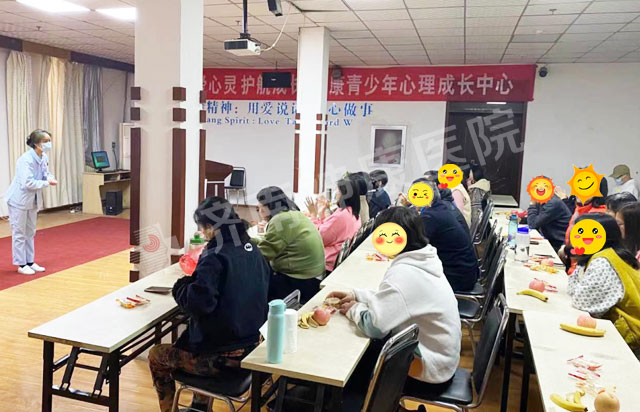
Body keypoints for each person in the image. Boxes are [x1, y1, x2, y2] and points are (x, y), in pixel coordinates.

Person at [149, 197, 270, 412]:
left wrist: (181, 286)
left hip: (223, 359)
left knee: (157, 355)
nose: (202, 233)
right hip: (253, 347)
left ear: (211, 227)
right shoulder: (251, 247)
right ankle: (199, 406)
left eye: (203, 227)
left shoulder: (216, 255)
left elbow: (198, 304)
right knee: (203, 336)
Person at [327, 206, 460, 385]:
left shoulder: (404, 274)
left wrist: (353, 309)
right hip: (442, 360)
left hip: (426, 369)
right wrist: (357, 295)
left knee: (349, 360)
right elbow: (397, 299)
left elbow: (374, 327)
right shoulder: (424, 259)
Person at [567, 213, 640, 358]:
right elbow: (572, 289)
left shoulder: (603, 262)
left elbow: (581, 303)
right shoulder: (604, 254)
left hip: (629, 339)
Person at [255, 186, 326, 303]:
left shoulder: (280, 220)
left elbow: (264, 253)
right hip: (312, 276)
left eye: (260, 207)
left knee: (256, 281)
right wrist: (250, 241)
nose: (259, 210)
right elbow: (269, 243)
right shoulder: (293, 213)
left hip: (302, 281)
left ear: (270, 205)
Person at [3, 129, 57, 275]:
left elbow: (45, 173)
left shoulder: (43, 157)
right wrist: (47, 183)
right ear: (36, 143)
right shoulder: (25, 160)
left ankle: (30, 262)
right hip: (18, 201)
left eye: (49, 141)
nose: (48, 144)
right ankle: (21, 264)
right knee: (19, 232)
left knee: (30, 232)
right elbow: (28, 182)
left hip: (32, 201)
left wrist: (50, 178)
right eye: (45, 141)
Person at [418, 180, 479, 292]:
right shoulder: (442, 208)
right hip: (467, 272)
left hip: (457, 278)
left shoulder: (430, 216)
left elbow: (417, 245)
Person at [306, 179, 361, 272]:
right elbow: (328, 229)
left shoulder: (341, 216)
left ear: (344, 194)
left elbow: (318, 238)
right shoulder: (351, 212)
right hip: (333, 257)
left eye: (338, 190)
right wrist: (322, 214)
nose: (336, 193)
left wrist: (313, 216)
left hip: (325, 261)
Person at [559, 177, 608, 273]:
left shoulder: (598, 215)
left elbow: (587, 248)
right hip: (572, 263)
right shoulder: (580, 208)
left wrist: (566, 250)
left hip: (584, 269)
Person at [527, 184, 572, 251]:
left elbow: (533, 224)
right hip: (551, 239)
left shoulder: (552, 203)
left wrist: (532, 204)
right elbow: (537, 218)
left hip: (559, 245)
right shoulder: (547, 200)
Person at [464, 163, 491, 230]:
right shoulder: (483, 186)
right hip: (483, 227)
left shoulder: (476, 190)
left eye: (469, 178)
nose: (467, 180)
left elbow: (475, 215)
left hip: (476, 229)